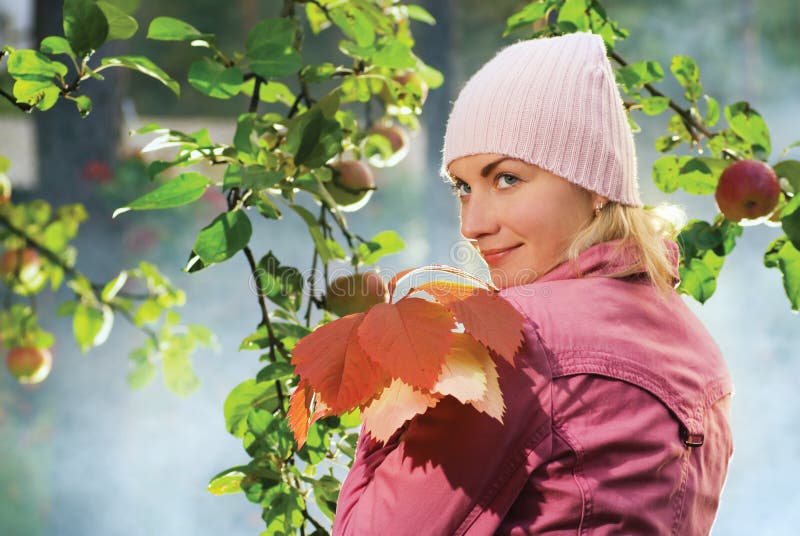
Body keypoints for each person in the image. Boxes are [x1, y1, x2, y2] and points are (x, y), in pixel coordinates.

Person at [332, 32, 734, 535]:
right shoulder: (697, 346)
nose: (472, 224)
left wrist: (395, 388)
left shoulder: (516, 335)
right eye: (463, 187)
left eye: (506, 179)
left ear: (594, 184)